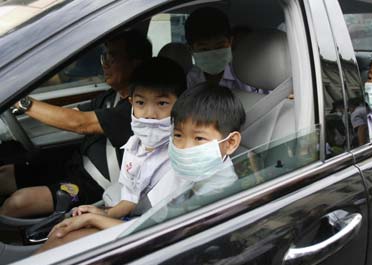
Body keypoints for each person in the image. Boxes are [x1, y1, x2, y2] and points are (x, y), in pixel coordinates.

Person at [36, 83, 246, 253]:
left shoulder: (218, 190)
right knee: (61, 235)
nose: (184, 147)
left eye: (199, 138)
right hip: (147, 230)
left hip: (167, 251)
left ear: (230, 143)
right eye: (178, 136)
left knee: (63, 240)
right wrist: (104, 213)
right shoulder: (190, 169)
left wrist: (95, 218)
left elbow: (156, 235)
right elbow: (150, 211)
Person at [0, 30, 152, 217]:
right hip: (75, 166)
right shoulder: (110, 97)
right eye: (104, 56)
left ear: (135, 64)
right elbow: (70, 115)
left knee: (18, 202)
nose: (105, 64)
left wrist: (21, 102)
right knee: (4, 175)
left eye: (112, 57)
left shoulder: (138, 109)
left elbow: (80, 123)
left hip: (92, 187)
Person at [73, 57, 186, 219]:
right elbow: (130, 199)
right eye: (140, 103)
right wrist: (103, 214)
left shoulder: (183, 152)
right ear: (131, 103)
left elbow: (157, 218)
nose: (149, 115)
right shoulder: (134, 146)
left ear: (181, 104)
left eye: (162, 103)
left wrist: (100, 217)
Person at [184, 7, 260, 93]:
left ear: (231, 42)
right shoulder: (193, 77)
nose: (213, 54)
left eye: (219, 47)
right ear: (190, 49)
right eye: (204, 49)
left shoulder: (246, 76)